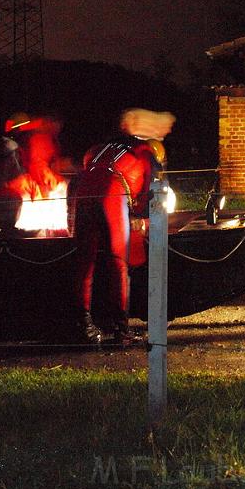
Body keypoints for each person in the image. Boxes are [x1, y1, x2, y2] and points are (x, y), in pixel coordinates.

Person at [72, 108, 175, 346]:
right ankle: (121, 330)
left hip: (83, 193)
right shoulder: (146, 153)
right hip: (113, 194)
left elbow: (86, 173)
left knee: (85, 262)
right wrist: (143, 218)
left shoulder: (96, 150)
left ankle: (84, 326)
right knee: (118, 262)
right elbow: (151, 193)